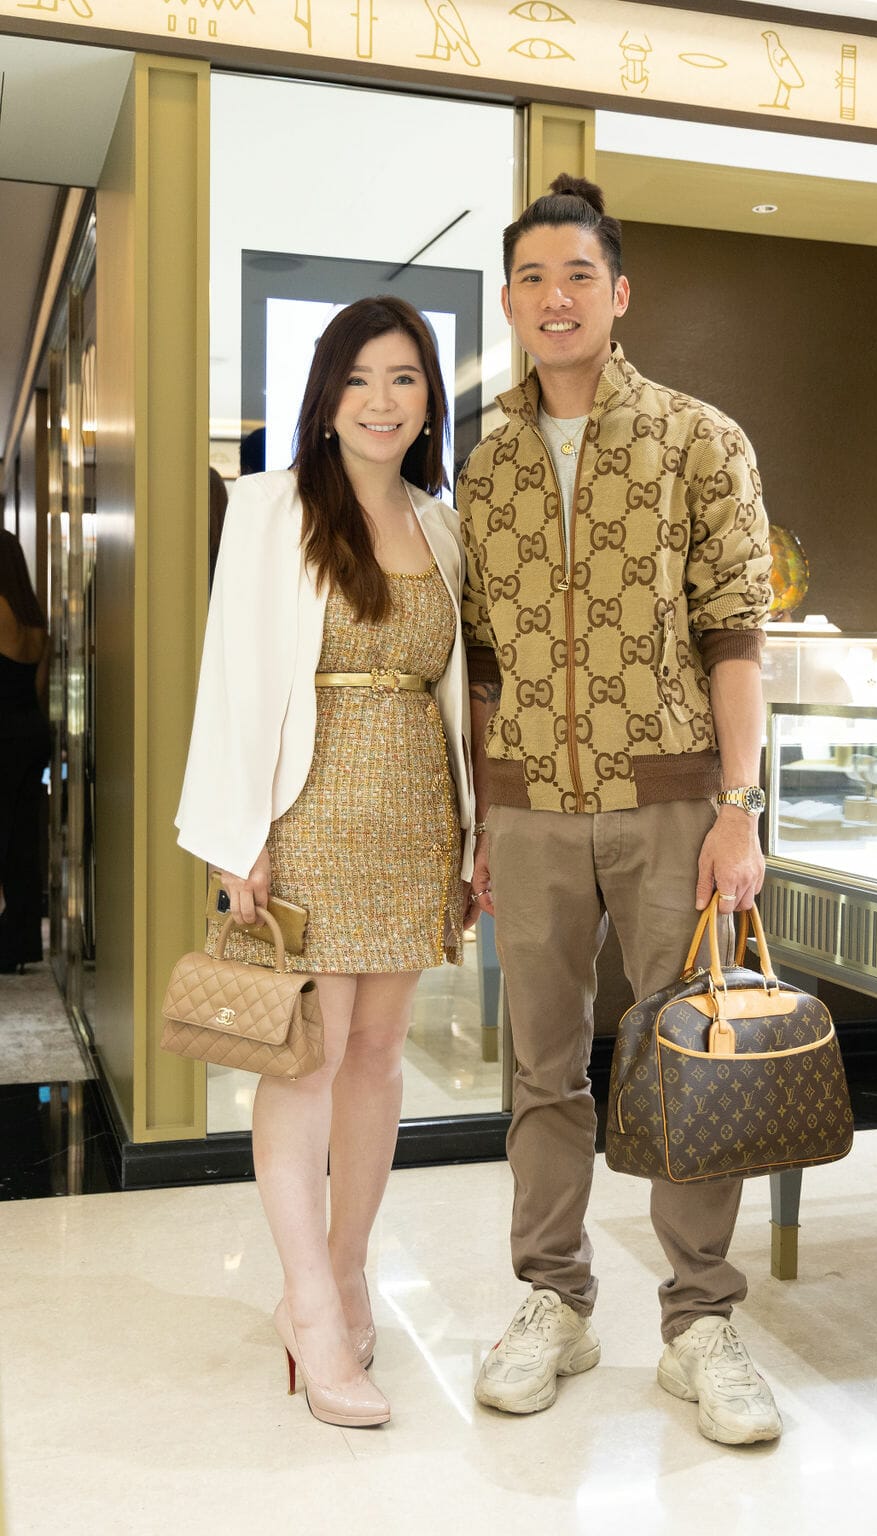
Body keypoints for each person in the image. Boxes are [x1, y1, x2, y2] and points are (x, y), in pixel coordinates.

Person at [459, 176, 782, 1444]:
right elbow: (481, 668)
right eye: (534, 279)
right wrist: (485, 824)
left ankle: (699, 1322)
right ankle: (555, 1301)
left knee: (690, 1061)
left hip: (674, 812)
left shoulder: (701, 440)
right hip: (530, 815)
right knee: (541, 1071)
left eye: (578, 276)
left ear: (619, 294)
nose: (556, 298)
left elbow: (735, 639)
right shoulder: (483, 466)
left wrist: (738, 808)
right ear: (509, 301)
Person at [176, 296, 475, 1429]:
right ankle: (308, 1305)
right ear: (326, 395)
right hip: (302, 813)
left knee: (381, 1056)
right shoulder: (271, 507)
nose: (380, 401)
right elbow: (231, 674)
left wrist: (473, 838)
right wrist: (237, 836)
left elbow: (454, 697)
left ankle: (348, 1271)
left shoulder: (442, 526)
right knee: (306, 1058)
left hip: (413, 818)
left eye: (403, 378)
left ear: (429, 399)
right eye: (358, 378)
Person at [0, 531, 49, 975]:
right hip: (30, 734)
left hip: (3, 734)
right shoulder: (33, 619)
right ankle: (18, 943)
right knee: (22, 842)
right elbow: (37, 690)